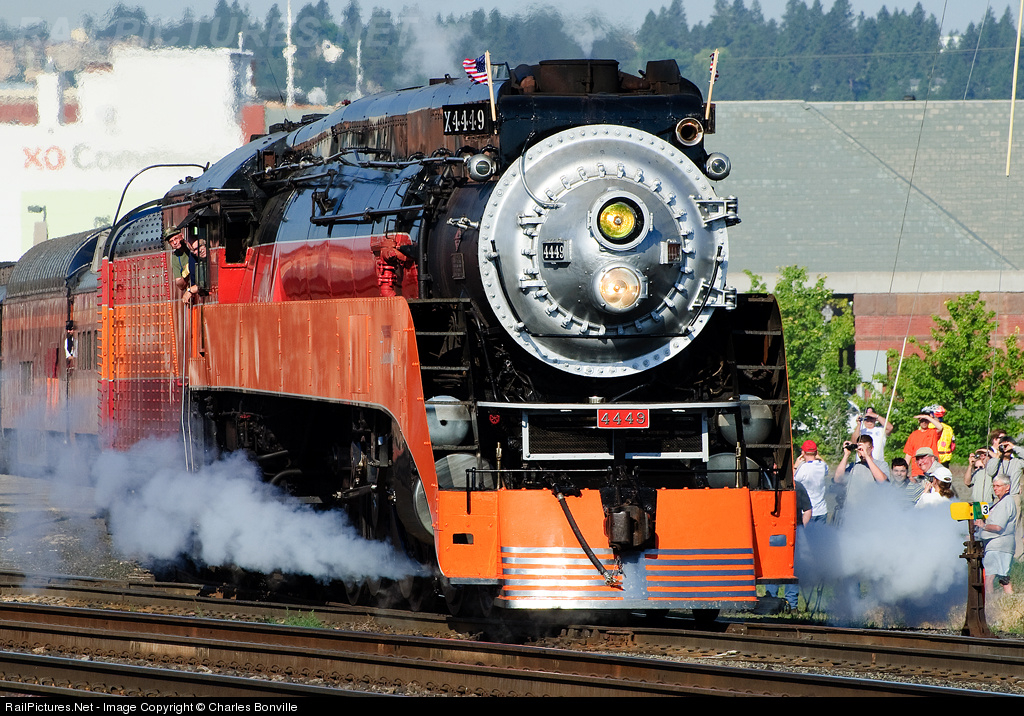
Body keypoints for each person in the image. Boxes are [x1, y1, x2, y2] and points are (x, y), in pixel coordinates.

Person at [974, 474, 1017, 596]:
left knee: (989, 579)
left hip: (998, 545)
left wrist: (982, 525)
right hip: (1003, 544)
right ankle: (1011, 601)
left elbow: (998, 527)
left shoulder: (1005, 503)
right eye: (994, 486)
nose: (995, 488)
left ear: (1007, 487)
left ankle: (990, 604)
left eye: (998, 486)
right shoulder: (1003, 502)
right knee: (1004, 578)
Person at [984, 435, 1024, 559]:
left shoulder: (1017, 462)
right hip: (998, 498)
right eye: (1003, 445)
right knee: (997, 525)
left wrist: (1014, 448)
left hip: (1013, 497)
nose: (1005, 448)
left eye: (1007, 445)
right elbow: (990, 471)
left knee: (1015, 527)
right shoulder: (996, 461)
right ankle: (998, 552)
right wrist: (998, 455)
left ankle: (1017, 556)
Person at [834, 434, 889, 508]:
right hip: (852, 509)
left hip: (872, 509)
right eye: (859, 449)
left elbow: (883, 481)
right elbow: (838, 479)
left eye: (864, 449)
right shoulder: (853, 466)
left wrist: (866, 456)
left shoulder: (881, 464)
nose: (861, 452)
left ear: (871, 448)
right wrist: (846, 455)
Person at [794, 439, 829, 523]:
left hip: (807, 511)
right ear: (816, 453)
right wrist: (818, 457)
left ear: (803, 453)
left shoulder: (803, 468)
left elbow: (793, 482)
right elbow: (826, 468)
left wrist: (795, 466)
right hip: (822, 510)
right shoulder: (822, 465)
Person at [904, 410, 940, 478]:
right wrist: (904, 470)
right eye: (922, 420)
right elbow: (908, 455)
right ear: (919, 421)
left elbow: (940, 427)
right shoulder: (913, 435)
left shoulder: (933, 432)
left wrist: (927, 417)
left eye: (926, 420)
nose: (924, 423)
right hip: (917, 472)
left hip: (932, 471)